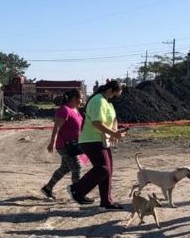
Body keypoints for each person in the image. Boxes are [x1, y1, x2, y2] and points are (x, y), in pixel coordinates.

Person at [67, 80, 128, 210]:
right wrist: (113, 133)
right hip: (91, 140)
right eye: (115, 95)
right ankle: (77, 189)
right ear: (110, 91)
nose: (115, 98)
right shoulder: (98, 100)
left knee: (108, 170)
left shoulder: (106, 102)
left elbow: (112, 120)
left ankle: (106, 202)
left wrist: (114, 132)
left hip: (101, 140)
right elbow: (96, 123)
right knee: (103, 168)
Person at [41, 89, 90, 201]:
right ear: (74, 98)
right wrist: (52, 142)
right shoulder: (64, 110)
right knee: (77, 167)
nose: (82, 100)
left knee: (65, 168)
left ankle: (48, 188)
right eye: (81, 98)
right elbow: (57, 127)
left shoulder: (75, 110)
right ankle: (78, 193)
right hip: (65, 146)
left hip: (74, 146)